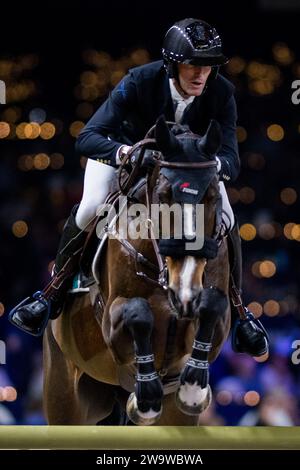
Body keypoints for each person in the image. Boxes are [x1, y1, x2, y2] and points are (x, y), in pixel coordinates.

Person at [9, 18, 269, 357]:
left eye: (208, 66)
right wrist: (125, 153)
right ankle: (51, 294)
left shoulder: (222, 93)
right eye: (193, 65)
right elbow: (87, 137)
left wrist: (211, 166)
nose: (201, 75)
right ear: (173, 64)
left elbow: (231, 159)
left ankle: (239, 309)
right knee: (90, 209)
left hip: (187, 175)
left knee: (228, 220)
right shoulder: (139, 81)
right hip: (126, 160)